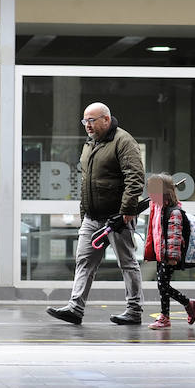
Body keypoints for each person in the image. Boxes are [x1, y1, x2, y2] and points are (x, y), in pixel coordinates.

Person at [46, 103, 147, 325]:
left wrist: (128, 210)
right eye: (85, 121)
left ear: (106, 119)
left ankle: (134, 310)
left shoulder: (123, 141)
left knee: (127, 263)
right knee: (84, 261)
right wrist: (84, 213)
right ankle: (75, 308)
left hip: (118, 217)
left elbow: (136, 177)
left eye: (92, 120)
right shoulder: (90, 144)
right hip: (92, 217)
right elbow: (86, 182)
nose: (88, 125)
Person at [141, 173, 195, 330]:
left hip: (169, 256)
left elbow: (174, 237)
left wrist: (172, 257)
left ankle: (187, 304)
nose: (150, 194)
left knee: (163, 285)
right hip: (162, 254)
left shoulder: (173, 212)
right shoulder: (159, 208)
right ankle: (167, 315)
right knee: (162, 285)